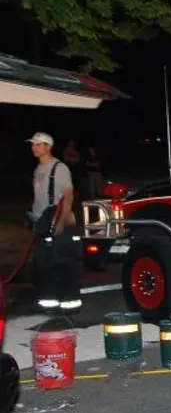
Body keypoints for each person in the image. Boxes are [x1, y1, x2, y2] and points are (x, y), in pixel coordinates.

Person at [27, 132, 83, 313]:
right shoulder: (38, 169)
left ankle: (69, 303)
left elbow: (68, 196)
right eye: (33, 144)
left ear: (48, 147)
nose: (34, 147)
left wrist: (60, 222)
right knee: (45, 265)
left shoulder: (59, 168)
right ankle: (50, 302)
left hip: (59, 223)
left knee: (63, 263)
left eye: (38, 144)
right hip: (43, 223)